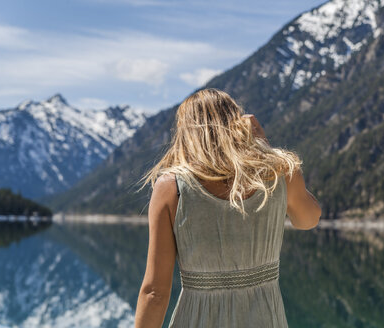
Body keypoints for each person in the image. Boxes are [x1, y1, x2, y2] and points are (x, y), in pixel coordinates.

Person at [134, 88, 322, 328]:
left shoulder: (171, 187)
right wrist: (263, 148)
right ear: (237, 124)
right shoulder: (281, 172)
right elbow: (309, 219)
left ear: (186, 133)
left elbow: (155, 293)